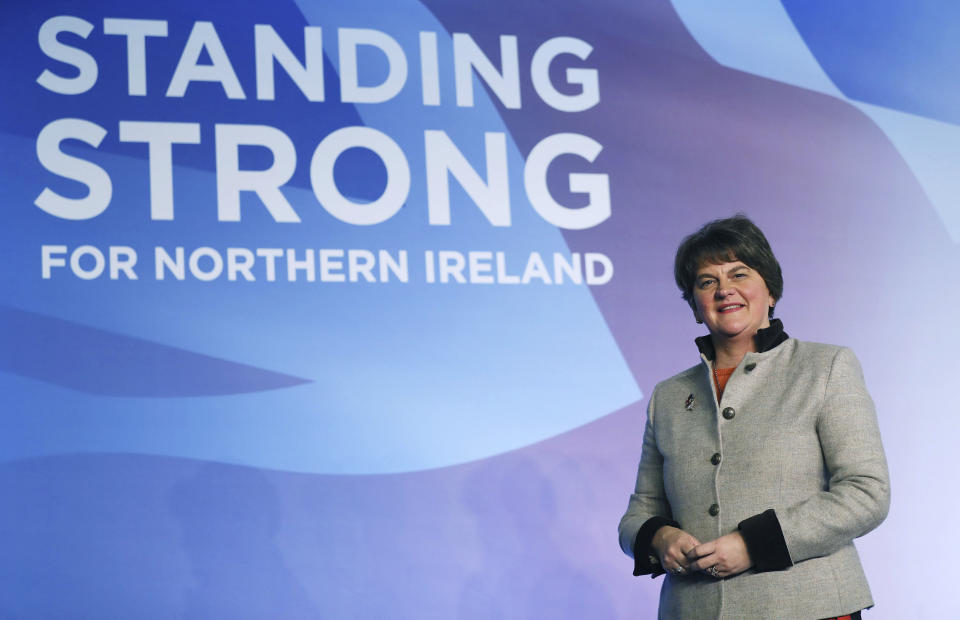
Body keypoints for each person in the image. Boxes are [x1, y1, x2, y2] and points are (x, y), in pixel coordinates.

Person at [618, 215, 889, 619]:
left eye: (739, 273)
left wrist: (755, 543)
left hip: (810, 608)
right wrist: (659, 536)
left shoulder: (826, 366)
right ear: (695, 305)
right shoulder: (669, 396)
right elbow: (638, 512)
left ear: (771, 291)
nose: (724, 289)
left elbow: (866, 493)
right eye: (706, 281)